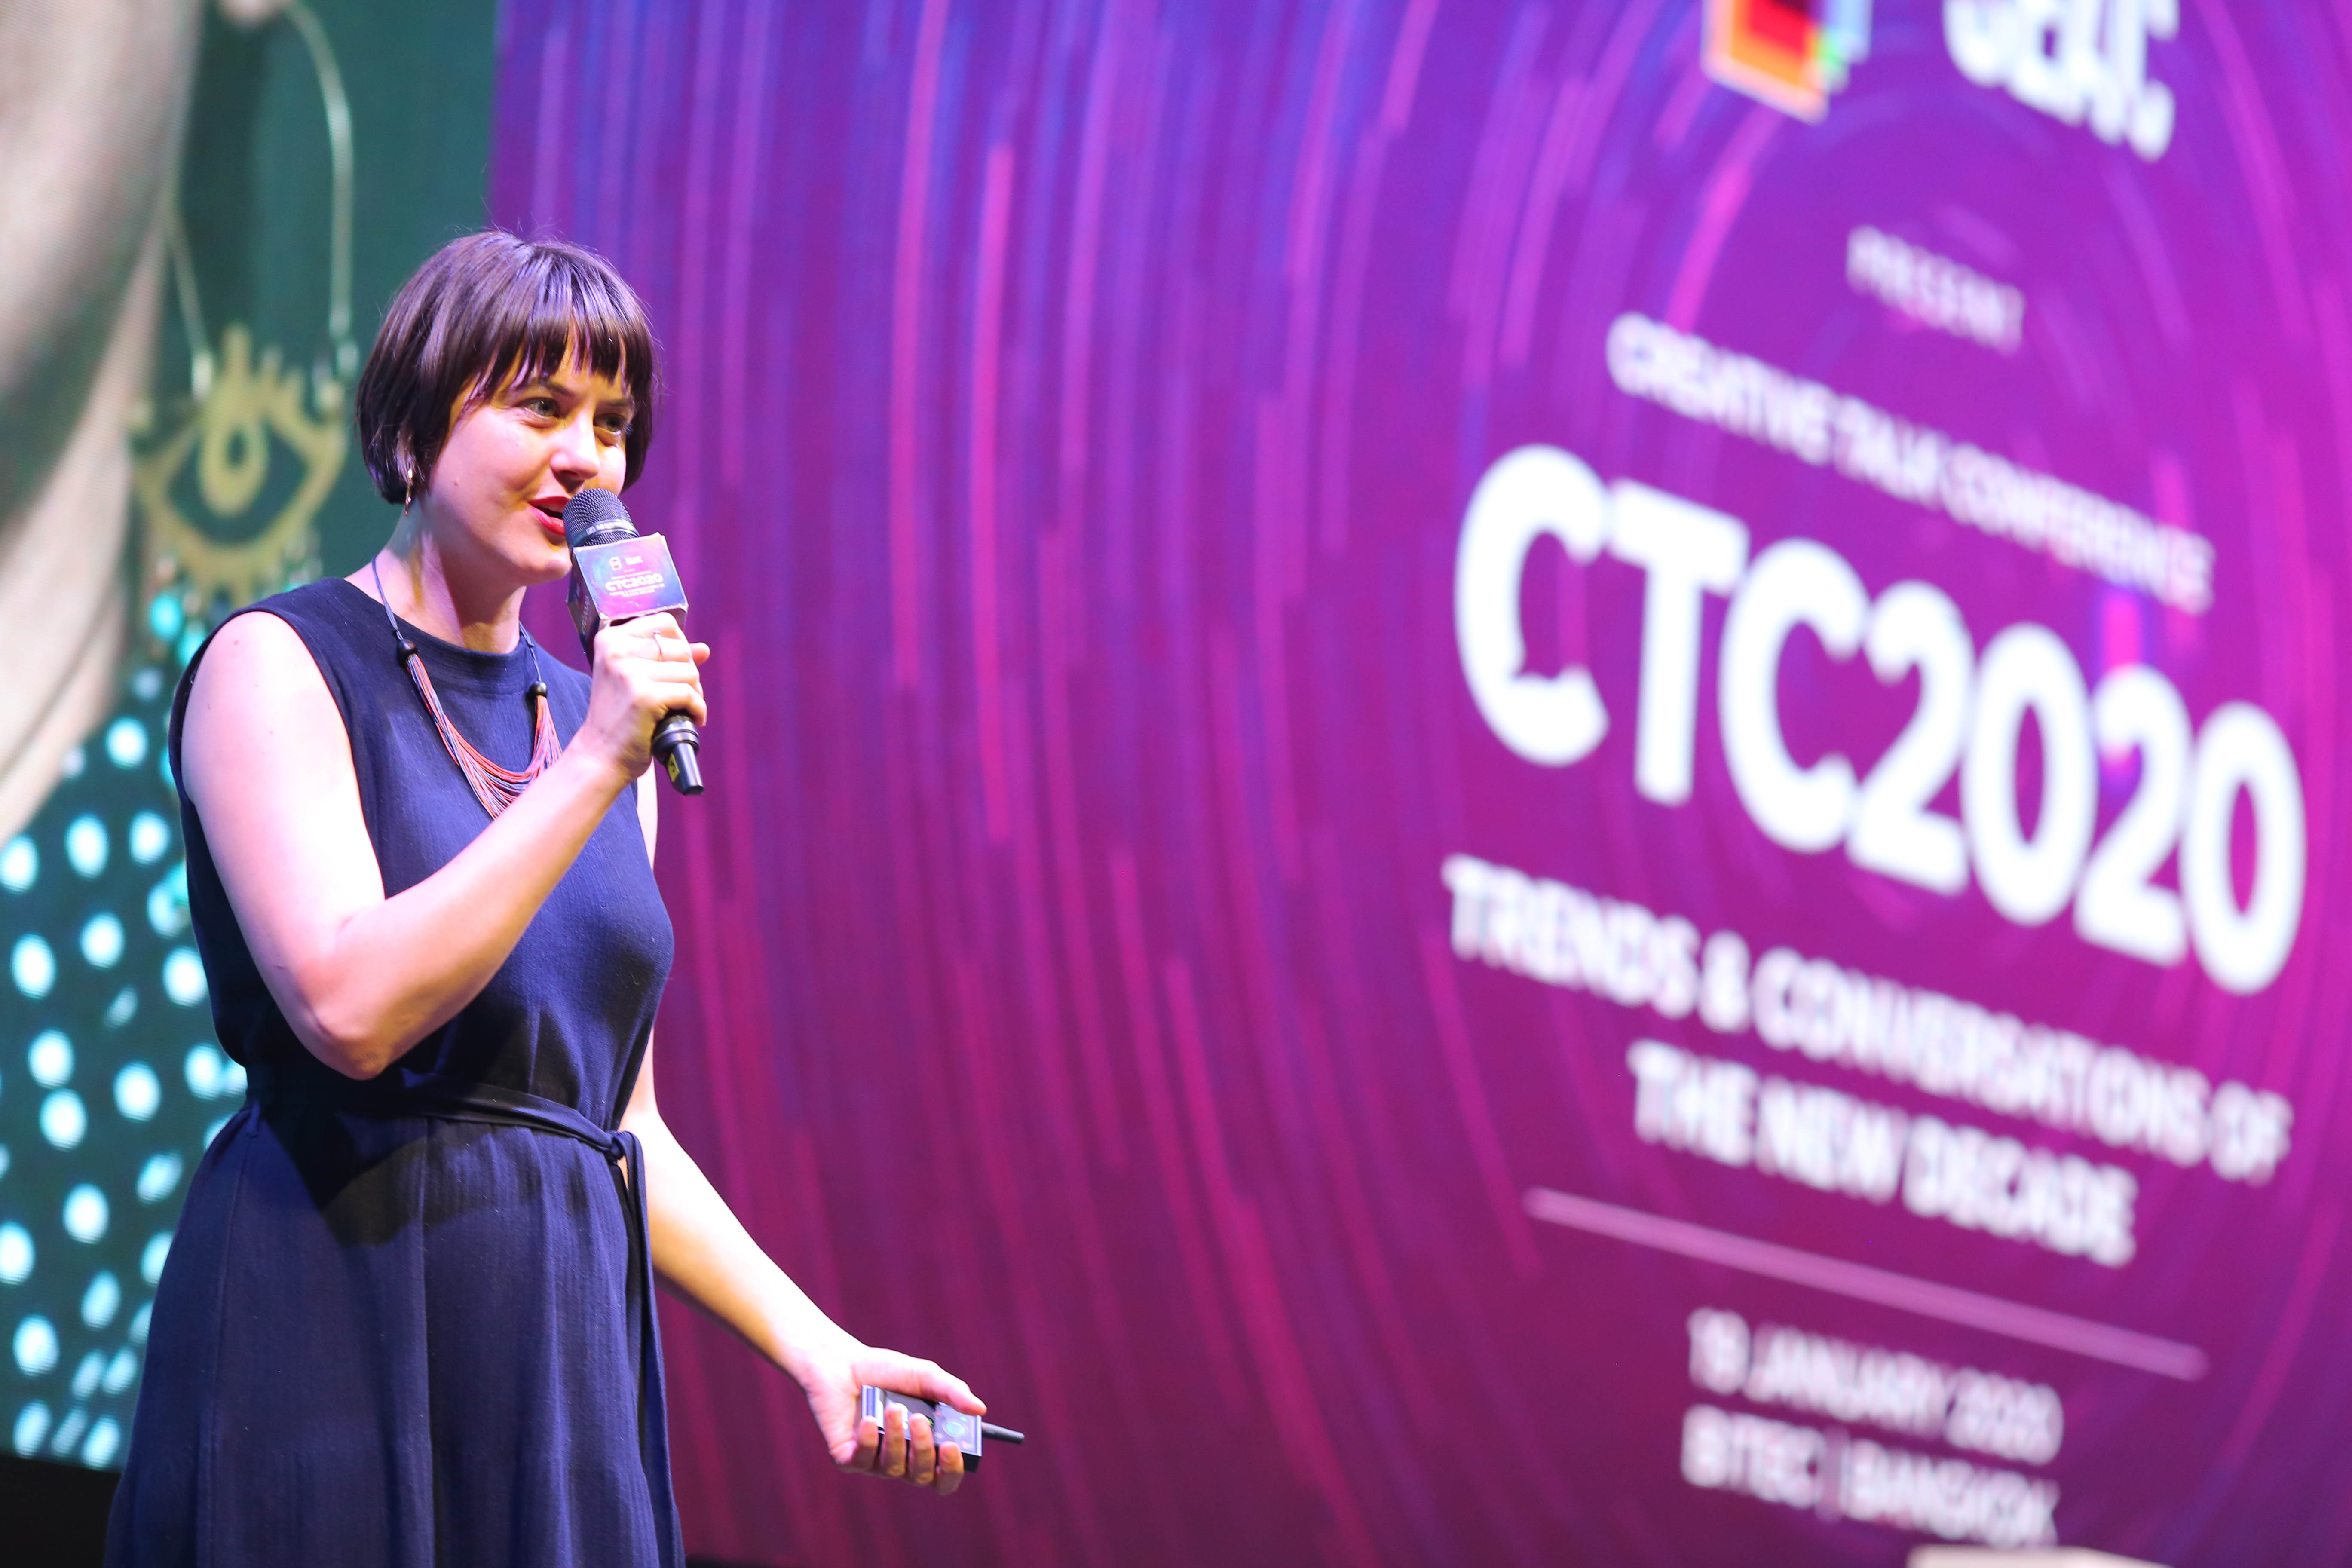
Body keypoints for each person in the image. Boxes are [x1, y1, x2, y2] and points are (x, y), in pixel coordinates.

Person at [107, 230, 982, 1566]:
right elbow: (348, 1007)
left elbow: (617, 1119)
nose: (587, 459)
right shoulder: (280, 663)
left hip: (555, 1347)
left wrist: (818, 1348)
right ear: (415, 427)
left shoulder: (596, 727)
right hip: (334, 1306)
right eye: (540, 408)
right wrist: (592, 764)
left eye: (613, 425)